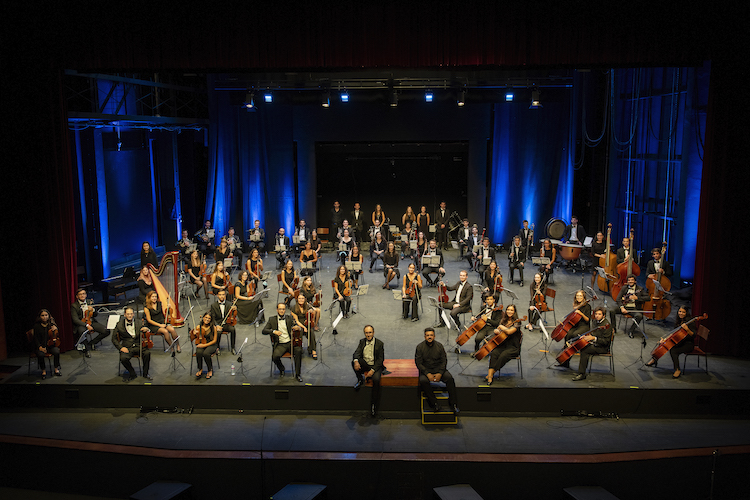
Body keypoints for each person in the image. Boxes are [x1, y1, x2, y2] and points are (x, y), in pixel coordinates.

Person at [415, 328, 459, 414]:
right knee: (423, 381)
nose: (429, 337)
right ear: (425, 337)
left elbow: (444, 361)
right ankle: (434, 403)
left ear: (434, 336)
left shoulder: (439, 346)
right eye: (427, 335)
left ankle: (453, 404)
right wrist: (427, 374)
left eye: (431, 335)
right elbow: (418, 363)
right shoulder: (419, 347)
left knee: (449, 378)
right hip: (426, 370)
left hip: (438, 370)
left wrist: (440, 373)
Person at [645, 305, 695, 378]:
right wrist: (665, 339)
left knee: (673, 351)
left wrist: (687, 329)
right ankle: (654, 359)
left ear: (686, 313)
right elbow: (674, 334)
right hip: (679, 342)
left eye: (683, 312)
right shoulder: (679, 320)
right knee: (664, 343)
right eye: (680, 311)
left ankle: (677, 370)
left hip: (688, 344)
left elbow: (694, 335)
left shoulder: (690, 322)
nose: (681, 313)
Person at [263, 302, 303, 382]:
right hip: (281, 344)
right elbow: (264, 331)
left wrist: (298, 327)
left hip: (291, 342)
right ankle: (281, 368)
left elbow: (296, 326)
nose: (282, 311)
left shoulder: (289, 318)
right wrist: (274, 331)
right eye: (280, 309)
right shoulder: (272, 319)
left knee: (299, 351)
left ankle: (298, 374)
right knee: (275, 357)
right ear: (277, 310)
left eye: (283, 309)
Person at [572, 307, 613, 381]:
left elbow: (606, 341)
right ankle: (582, 370)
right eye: (596, 314)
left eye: (599, 314)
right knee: (583, 345)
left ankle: (582, 373)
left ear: (603, 315)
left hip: (603, 348)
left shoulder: (607, 325)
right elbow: (593, 333)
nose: (597, 316)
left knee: (585, 350)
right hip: (595, 344)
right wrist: (587, 336)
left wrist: (594, 338)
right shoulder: (595, 322)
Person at [352, 325, 385, 417]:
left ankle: (374, 405)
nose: (368, 335)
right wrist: (356, 362)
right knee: (353, 362)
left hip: (375, 365)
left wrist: (373, 370)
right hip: (365, 363)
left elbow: (380, 360)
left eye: (370, 332)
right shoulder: (362, 342)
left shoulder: (379, 343)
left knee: (376, 380)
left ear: (373, 333)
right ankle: (360, 379)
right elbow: (356, 353)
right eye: (366, 333)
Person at [484, 304, 521, 385]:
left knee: (503, 355)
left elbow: (509, 331)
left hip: (513, 347)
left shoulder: (517, 322)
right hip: (503, 344)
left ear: (514, 312)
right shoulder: (503, 320)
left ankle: (490, 375)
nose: (509, 311)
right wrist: (496, 331)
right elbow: (498, 330)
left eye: (511, 310)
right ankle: (490, 375)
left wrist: (500, 326)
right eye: (508, 309)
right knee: (494, 353)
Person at [113, 307, 152, 382]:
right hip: (127, 347)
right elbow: (114, 339)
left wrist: (147, 329)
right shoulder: (119, 324)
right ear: (124, 315)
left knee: (147, 353)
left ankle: (145, 373)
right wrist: (120, 348)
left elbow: (147, 330)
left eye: (131, 314)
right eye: (128, 314)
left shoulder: (139, 322)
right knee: (123, 358)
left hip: (139, 346)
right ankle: (132, 373)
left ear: (133, 314)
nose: (130, 315)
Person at [556, 290, 592, 368]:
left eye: (580, 296)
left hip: (584, 326)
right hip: (576, 325)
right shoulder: (575, 304)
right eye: (577, 296)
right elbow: (573, 317)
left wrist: (580, 313)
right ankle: (565, 360)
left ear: (584, 297)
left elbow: (587, 320)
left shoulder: (587, 306)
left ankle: (567, 357)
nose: (579, 297)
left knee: (574, 335)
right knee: (567, 333)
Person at [71, 288, 109, 357]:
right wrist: (86, 325)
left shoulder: (89, 302)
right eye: (80, 294)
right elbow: (75, 319)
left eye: (84, 294)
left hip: (91, 321)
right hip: (81, 324)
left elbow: (96, 314)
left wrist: (93, 310)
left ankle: (91, 343)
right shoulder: (74, 306)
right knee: (82, 332)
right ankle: (86, 350)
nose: (82, 295)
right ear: (77, 296)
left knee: (106, 331)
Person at [32, 309, 61, 378]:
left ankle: (56, 369)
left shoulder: (51, 325)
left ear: (48, 316)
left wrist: (56, 327)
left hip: (49, 345)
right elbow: (35, 338)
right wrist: (40, 347)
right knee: (41, 355)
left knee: (57, 351)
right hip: (40, 346)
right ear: (39, 317)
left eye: (46, 315)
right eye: (42, 315)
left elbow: (56, 333)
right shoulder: (37, 326)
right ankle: (43, 371)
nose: (44, 317)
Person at [192, 312, 218, 379]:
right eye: (206, 317)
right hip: (202, 343)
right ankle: (200, 369)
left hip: (211, 344)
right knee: (199, 352)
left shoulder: (213, 327)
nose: (207, 319)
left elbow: (214, 340)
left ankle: (210, 370)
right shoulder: (198, 327)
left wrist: (204, 345)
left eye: (209, 318)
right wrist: (193, 333)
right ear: (203, 318)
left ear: (211, 320)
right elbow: (193, 338)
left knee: (206, 353)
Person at [290, 293, 317, 359]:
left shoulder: (307, 306)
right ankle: (299, 349)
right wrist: (304, 327)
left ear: (305, 299)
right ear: (297, 299)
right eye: (299, 298)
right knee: (300, 331)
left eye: (302, 298)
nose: (301, 300)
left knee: (311, 332)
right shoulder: (293, 308)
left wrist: (311, 310)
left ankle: (313, 350)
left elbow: (315, 310)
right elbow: (296, 321)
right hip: (298, 324)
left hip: (306, 323)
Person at [209, 289, 237, 354]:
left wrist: (235, 309)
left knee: (233, 329)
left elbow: (233, 315)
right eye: (220, 295)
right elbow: (213, 318)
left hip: (227, 324)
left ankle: (233, 347)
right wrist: (216, 325)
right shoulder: (213, 305)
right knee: (218, 332)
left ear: (225, 295)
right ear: (217, 295)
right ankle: (217, 348)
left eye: (223, 295)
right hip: (218, 324)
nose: (221, 296)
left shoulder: (229, 304)